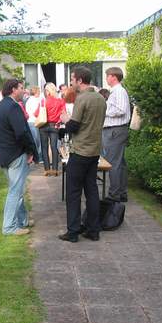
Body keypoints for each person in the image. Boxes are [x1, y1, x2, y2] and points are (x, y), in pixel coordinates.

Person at [59, 66, 107, 242]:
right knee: (92, 191)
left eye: (72, 79)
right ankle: (93, 231)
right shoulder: (101, 98)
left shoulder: (82, 98)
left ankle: (73, 232)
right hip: (94, 151)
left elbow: (74, 127)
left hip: (80, 152)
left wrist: (65, 119)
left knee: (73, 193)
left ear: (80, 80)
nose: (71, 82)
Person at [0, 79, 36, 236]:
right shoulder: (13, 107)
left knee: (16, 189)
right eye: (21, 88)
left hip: (4, 154)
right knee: (15, 191)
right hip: (15, 154)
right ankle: (9, 227)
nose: (23, 91)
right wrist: (30, 150)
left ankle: (22, 220)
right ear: (13, 89)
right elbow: (21, 133)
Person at [102, 67, 131, 202]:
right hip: (117, 130)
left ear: (113, 77)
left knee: (113, 163)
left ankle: (114, 195)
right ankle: (121, 192)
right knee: (120, 163)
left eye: (107, 76)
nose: (106, 78)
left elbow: (121, 110)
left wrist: (104, 111)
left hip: (115, 130)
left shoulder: (118, 91)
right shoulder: (117, 91)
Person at [35, 83, 66, 176]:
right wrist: (59, 121)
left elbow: (36, 114)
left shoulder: (43, 101)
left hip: (43, 125)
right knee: (54, 147)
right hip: (54, 125)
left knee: (44, 148)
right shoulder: (60, 101)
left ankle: (47, 170)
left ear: (48, 91)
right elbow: (63, 114)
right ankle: (55, 169)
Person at [25, 86, 42, 161]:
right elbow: (36, 113)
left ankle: (35, 157)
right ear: (36, 92)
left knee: (33, 140)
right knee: (37, 141)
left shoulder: (28, 100)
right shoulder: (35, 100)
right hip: (35, 121)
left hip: (29, 121)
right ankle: (37, 157)